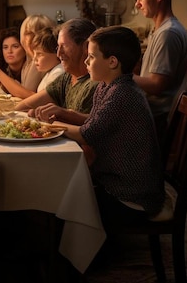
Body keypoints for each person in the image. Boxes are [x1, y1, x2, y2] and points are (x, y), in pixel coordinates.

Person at [60, 26, 165, 228]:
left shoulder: (123, 94)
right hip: (115, 182)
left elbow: (87, 134)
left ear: (112, 62)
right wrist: (64, 116)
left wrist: (48, 127)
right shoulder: (107, 86)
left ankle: (79, 256)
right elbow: (95, 122)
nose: (86, 62)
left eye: (91, 57)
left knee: (61, 200)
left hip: (132, 195)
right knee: (63, 190)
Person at [133, 0, 187, 143]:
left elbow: (157, 85)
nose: (137, 4)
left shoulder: (168, 34)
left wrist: (121, 76)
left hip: (157, 118)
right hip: (152, 115)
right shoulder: (160, 30)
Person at [14, 18, 98, 126]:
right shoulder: (66, 78)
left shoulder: (95, 83)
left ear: (85, 47)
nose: (59, 53)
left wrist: (62, 115)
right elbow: (24, 106)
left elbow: (90, 129)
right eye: (58, 47)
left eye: (64, 46)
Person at [30, 26, 65, 92]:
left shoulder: (58, 73)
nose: (34, 58)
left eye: (39, 54)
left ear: (57, 53)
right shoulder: (50, 72)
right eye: (34, 53)